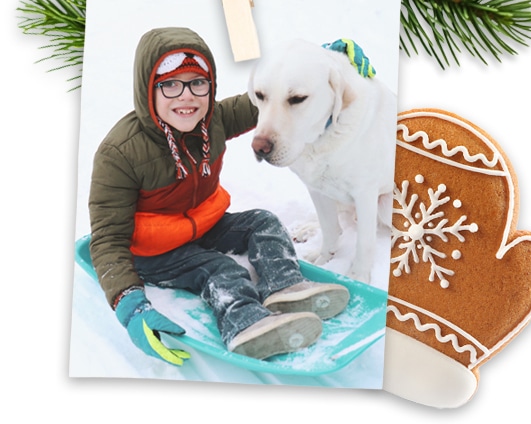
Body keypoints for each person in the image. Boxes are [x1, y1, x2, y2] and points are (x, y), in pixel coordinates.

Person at [88, 26, 349, 366]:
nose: (187, 97)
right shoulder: (120, 153)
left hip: (202, 224)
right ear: (146, 90)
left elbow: (266, 99)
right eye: (170, 84)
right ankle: (245, 325)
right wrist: (130, 305)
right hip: (153, 250)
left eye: (198, 83)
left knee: (263, 222)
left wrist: (314, 64)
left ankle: (285, 290)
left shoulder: (213, 120)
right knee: (219, 269)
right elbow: (107, 239)